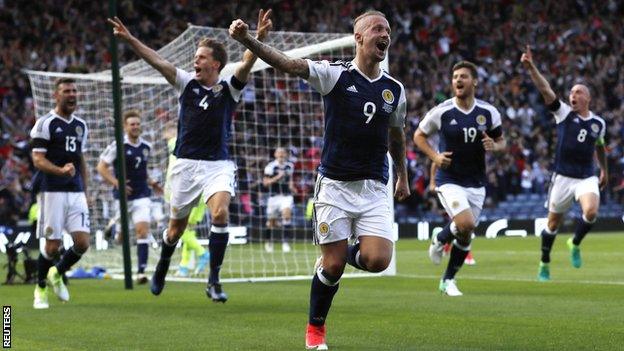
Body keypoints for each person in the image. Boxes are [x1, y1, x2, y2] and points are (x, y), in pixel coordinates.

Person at [230, 10, 409, 350]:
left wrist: (402, 176)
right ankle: (316, 329)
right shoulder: (335, 74)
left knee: (378, 261)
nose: (384, 34)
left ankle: (339, 255)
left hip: (374, 187)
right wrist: (248, 40)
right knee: (333, 267)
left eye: (387, 29)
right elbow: (288, 64)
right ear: (358, 37)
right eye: (376, 28)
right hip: (335, 187)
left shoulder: (394, 90)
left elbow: (397, 136)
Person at [108, 9, 272, 302]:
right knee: (174, 230)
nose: (195, 60)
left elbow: (247, 63)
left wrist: (257, 39)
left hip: (217, 165)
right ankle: (162, 264)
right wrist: (130, 38)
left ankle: (214, 280)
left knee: (220, 213)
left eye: (201, 57)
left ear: (216, 63)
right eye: (195, 57)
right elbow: (157, 60)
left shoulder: (229, 89)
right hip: (184, 166)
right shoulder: (187, 83)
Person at [414, 60, 506, 296]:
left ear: (474, 81)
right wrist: (434, 156)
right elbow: (419, 136)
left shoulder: (488, 112)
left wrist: (494, 146)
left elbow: (502, 142)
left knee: (466, 234)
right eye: (455, 77)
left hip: (476, 182)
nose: (458, 81)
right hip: (449, 179)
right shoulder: (442, 111)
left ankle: (447, 280)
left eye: (463, 76)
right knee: (465, 224)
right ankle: (442, 237)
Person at [521, 45, 608, 281]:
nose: (574, 95)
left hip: (586, 176)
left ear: (588, 98)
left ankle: (575, 242)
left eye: (579, 92)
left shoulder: (598, 123)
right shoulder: (564, 114)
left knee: (591, 211)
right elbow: (545, 89)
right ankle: (544, 262)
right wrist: (531, 69)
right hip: (562, 177)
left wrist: (603, 170)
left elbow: (599, 146)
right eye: (571, 92)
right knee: (552, 224)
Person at [30, 77, 91, 309]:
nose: (71, 94)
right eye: (66, 91)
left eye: (74, 90)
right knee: (52, 246)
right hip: (52, 191)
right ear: (56, 96)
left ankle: (58, 272)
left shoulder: (81, 125)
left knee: (83, 243)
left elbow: (81, 159)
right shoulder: (44, 123)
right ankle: (41, 288)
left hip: (75, 191)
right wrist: (60, 170)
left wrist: (84, 189)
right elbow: (37, 159)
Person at [96, 109, 163, 284]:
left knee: (143, 231)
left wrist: (152, 183)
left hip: (142, 194)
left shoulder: (146, 147)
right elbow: (101, 167)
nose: (135, 127)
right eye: (132, 124)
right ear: (125, 127)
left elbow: (142, 171)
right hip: (122, 197)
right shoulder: (118, 145)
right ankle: (115, 227)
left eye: (137, 124)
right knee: (121, 239)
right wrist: (116, 182)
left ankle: (141, 272)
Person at [430, 163, 475, 265]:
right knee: (463, 223)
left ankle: (444, 242)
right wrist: (432, 182)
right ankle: (467, 255)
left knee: (462, 223)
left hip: (467, 187)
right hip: (451, 187)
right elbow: (436, 161)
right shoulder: (450, 148)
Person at [262, 147, 296, 253]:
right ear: (275, 154)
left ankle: (285, 243)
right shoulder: (270, 167)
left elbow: (290, 180)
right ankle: (268, 242)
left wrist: (292, 187)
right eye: (279, 152)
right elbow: (265, 183)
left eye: (283, 152)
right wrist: (277, 177)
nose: (281, 154)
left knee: (287, 215)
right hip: (274, 197)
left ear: (286, 154)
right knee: (271, 222)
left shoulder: (289, 166)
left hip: (286, 196)